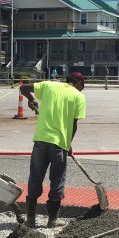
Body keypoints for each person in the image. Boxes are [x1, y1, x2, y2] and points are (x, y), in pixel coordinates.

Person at [19, 71, 87, 227]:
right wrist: (68, 144)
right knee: (57, 180)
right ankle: (53, 220)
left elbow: (23, 88)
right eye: (83, 85)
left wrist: (31, 100)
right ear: (78, 83)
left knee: (35, 177)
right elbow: (74, 125)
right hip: (59, 145)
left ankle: (30, 220)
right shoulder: (78, 96)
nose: (83, 89)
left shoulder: (49, 85)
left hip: (40, 141)